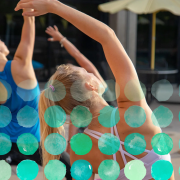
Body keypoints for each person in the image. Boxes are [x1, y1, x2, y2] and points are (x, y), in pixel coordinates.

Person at [15, 1, 174, 180]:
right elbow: (107, 36)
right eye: (86, 72)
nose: (91, 71)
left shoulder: (81, 152)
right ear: (90, 86)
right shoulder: (134, 111)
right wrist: (54, 6)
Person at [0, 8, 71, 180]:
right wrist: (29, 9)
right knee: (72, 171)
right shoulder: (20, 66)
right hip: (33, 142)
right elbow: (29, 23)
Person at [45, 25, 109, 154]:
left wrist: (69, 146)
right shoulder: (99, 87)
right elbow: (77, 55)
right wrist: (62, 39)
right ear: (87, 84)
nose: (81, 67)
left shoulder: (78, 101)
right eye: (77, 68)